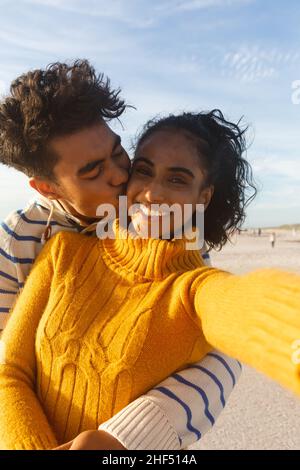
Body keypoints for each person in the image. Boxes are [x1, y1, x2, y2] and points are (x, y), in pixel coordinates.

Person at [1, 109, 300, 451]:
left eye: (177, 179)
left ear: (203, 197)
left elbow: (245, 309)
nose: (152, 193)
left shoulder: (193, 289)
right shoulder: (60, 252)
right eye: (144, 171)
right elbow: (8, 370)